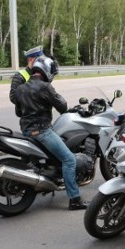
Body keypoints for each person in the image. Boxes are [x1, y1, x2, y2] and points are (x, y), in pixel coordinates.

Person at [9, 55, 88, 210]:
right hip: (42, 131)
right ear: (46, 70)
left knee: (57, 157)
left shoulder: (20, 89)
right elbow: (63, 107)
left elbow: (19, 112)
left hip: (26, 130)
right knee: (69, 160)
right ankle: (74, 200)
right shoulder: (45, 87)